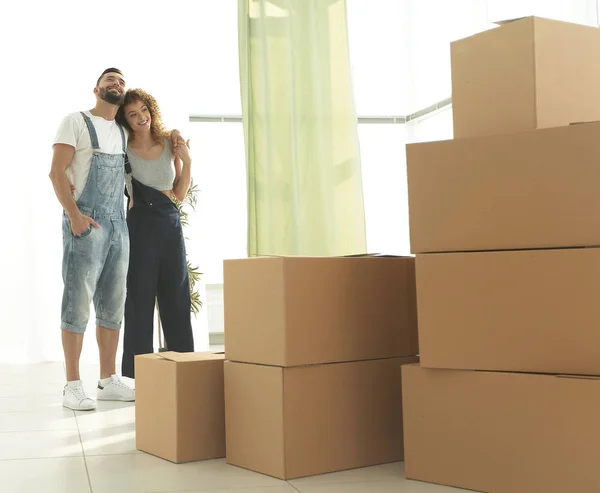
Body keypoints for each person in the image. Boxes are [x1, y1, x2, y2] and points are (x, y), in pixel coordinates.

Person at [49, 69, 181, 410]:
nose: (116, 84)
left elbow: (145, 162)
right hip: (86, 221)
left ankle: (108, 380)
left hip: (119, 225)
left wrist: (178, 147)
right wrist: (75, 217)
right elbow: (56, 171)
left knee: (112, 304)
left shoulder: (122, 132)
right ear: (96, 89)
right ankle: (72, 385)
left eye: (120, 81)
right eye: (109, 79)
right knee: (77, 303)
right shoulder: (75, 122)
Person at [116, 89, 195, 378]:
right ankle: (136, 377)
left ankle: (186, 371)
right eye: (132, 114)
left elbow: (179, 194)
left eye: (143, 110)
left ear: (152, 109)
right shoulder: (123, 149)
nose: (141, 118)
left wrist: (187, 161)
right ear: (125, 120)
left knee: (176, 296)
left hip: (169, 223)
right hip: (139, 225)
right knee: (139, 299)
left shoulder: (168, 142)